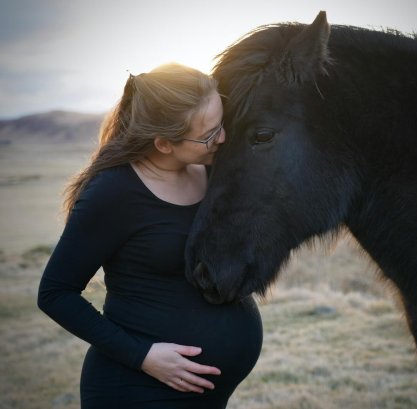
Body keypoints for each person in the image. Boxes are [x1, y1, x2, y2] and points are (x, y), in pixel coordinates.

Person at [37, 63, 263, 409]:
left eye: (223, 124)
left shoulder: (212, 169)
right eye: (208, 134)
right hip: (137, 391)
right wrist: (142, 356)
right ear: (163, 144)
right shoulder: (113, 193)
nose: (222, 138)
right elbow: (55, 293)